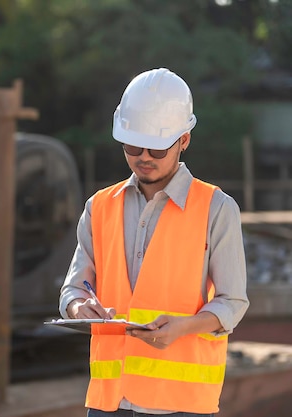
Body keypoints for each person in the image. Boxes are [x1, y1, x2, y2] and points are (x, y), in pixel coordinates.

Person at [59, 68, 249, 417]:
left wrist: (184, 327)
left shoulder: (217, 209)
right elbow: (73, 290)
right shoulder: (100, 206)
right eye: (133, 145)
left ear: (184, 140)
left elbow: (232, 302)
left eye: (157, 148)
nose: (144, 156)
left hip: (181, 405)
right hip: (109, 402)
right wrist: (78, 308)